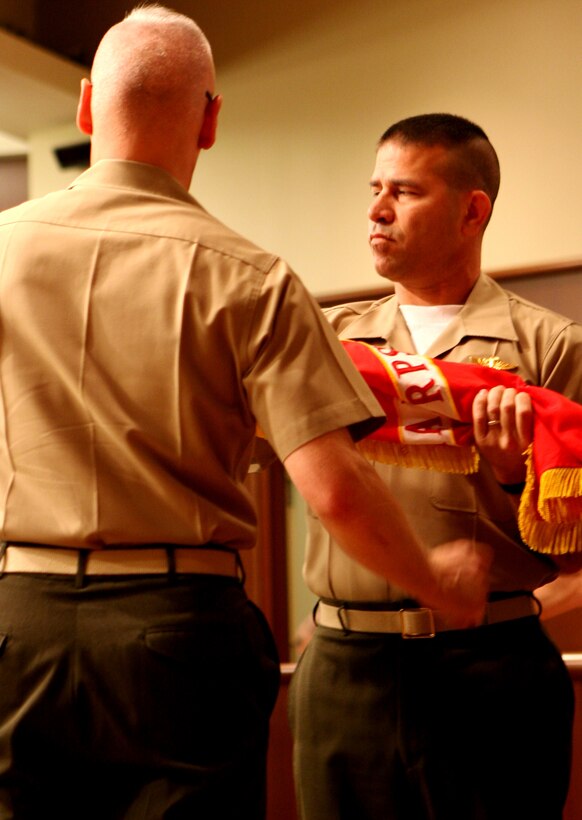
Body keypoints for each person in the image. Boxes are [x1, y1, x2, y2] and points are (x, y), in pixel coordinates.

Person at [0, 13, 491, 820]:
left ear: (87, 108)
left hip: (16, 625)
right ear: (211, 120)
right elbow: (330, 489)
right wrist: (432, 579)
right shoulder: (251, 278)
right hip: (179, 634)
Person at [289, 113, 582, 820]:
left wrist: (517, 476)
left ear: (471, 210)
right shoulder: (332, 340)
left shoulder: (552, 347)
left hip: (492, 671)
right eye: (374, 189)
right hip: (345, 665)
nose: (376, 211)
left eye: (405, 192)